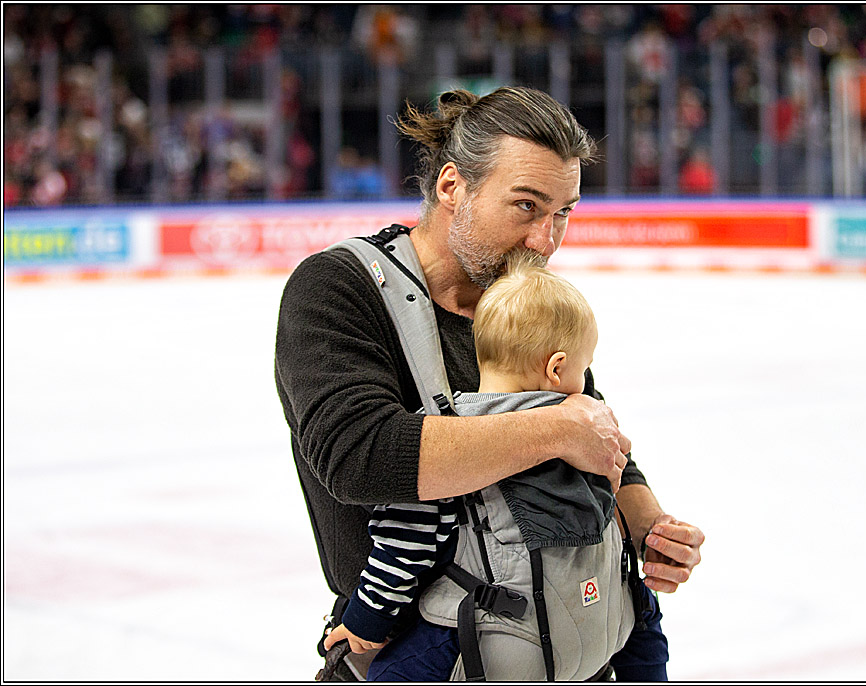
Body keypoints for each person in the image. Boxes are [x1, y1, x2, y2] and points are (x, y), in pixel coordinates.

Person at [274, 85, 704, 678]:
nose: (545, 242)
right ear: (452, 186)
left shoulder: (526, 299)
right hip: (421, 645)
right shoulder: (337, 288)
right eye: (527, 206)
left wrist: (647, 525)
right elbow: (359, 456)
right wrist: (552, 429)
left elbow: (592, 436)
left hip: (565, 637)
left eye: (564, 212)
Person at [321, 250, 669, 680]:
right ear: (557, 369)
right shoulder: (590, 432)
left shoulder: (450, 439)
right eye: (586, 366)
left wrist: (365, 623)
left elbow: (404, 546)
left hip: (497, 645)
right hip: (599, 635)